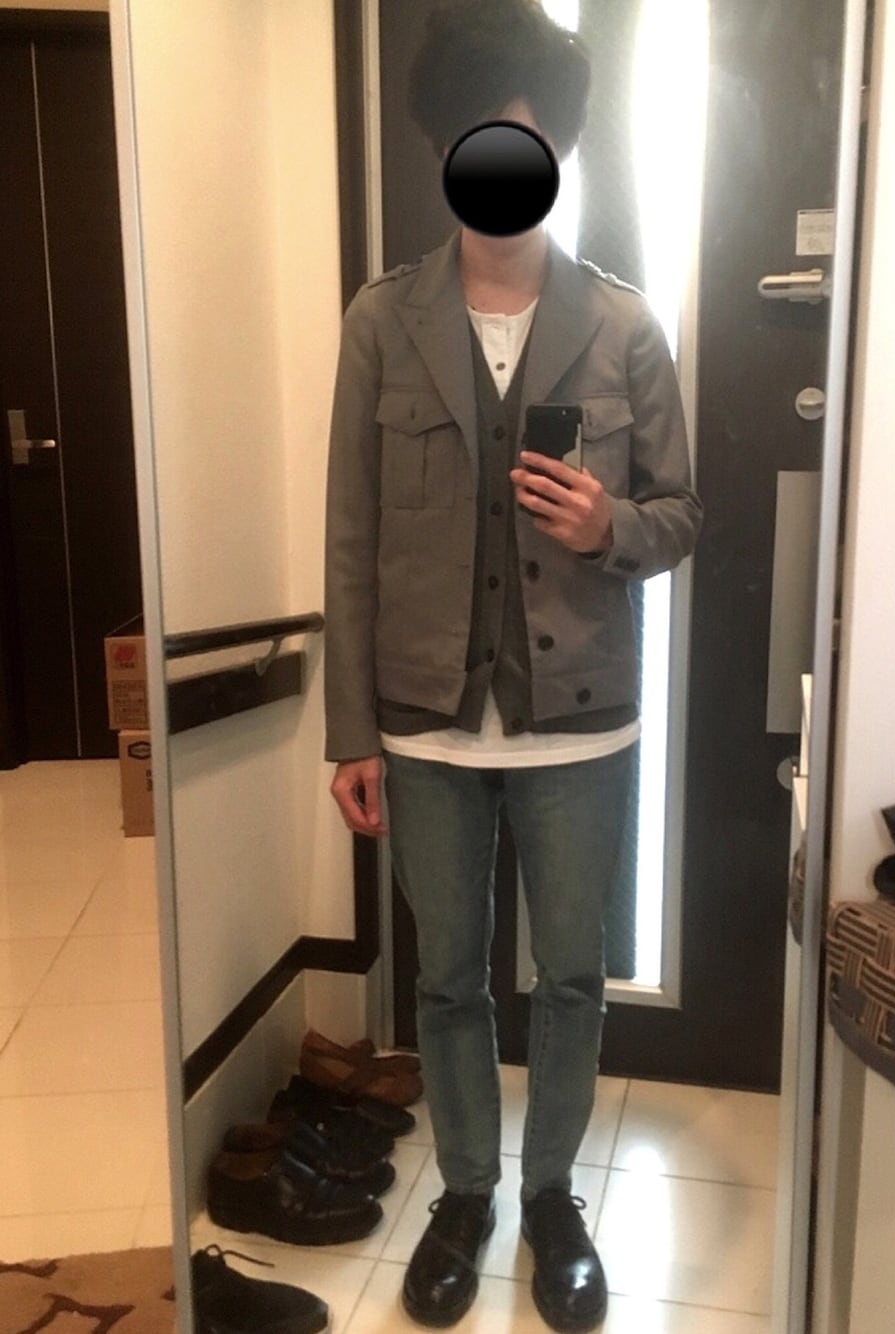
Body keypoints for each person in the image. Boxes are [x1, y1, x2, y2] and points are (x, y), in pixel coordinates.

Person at [324, 2, 702, 1328]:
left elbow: (682, 514)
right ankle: (467, 1194)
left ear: (561, 153)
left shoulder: (626, 327)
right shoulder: (383, 322)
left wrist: (611, 528)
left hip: (580, 718)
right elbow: (351, 536)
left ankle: (552, 1198)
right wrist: (350, 730)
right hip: (423, 723)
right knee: (446, 978)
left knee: (573, 977)